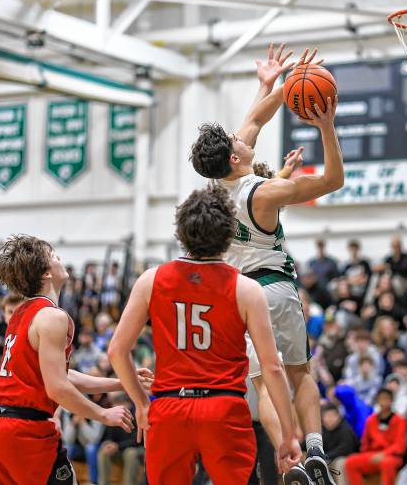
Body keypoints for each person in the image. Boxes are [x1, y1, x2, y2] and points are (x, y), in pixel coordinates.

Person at [189, 44, 340, 485]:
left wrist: (272, 82)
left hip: (239, 297)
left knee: (261, 383)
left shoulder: (218, 185)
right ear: (235, 158)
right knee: (299, 373)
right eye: (238, 142)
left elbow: (255, 120)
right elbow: (333, 180)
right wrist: (326, 127)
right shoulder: (265, 192)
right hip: (275, 288)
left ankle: (289, 458)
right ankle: (314, 451)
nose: (244, 136)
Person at [107, 184, 302, 484]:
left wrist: (142, 403)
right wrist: (288, 435)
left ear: (181, 231)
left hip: (170, 407)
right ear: (229, 235)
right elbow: (272, 367)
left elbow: (117, 351)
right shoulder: (246, 288)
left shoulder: (150, 280)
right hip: (224, 409)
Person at [0, 235, 146, 485]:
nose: (61, 260)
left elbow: (59, 375)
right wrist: (102, 413)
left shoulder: (21, 313)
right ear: (46, 273)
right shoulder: (52, 317)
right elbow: (57, 387)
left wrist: (119, 382)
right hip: (22, 431)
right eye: (55, 256)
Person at [345, 388, 407, 485]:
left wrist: (384, 454)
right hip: (373, 454)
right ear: (377, 401)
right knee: (350, 462)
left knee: (386, 463)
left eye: (386, 399)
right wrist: (366, 454)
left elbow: (399, 445)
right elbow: (365, 443)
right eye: (381, 399)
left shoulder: (400, 420)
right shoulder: (371, 420)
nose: (383, 402)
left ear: (391, 401)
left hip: (392, 456)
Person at [96, 392, 142, 485]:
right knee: (103, 451)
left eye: (120, 405)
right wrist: (107, 443)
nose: (117, 409)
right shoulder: (113, 417)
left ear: (128, 405)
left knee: (130, 453)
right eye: (115, 405)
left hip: (137, 449)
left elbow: (137, 440)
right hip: (120, 450)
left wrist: (117, 446)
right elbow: (105, 437)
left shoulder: (136, 416)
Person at [320, 402, 359, 480]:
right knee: (313, 463)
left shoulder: (345, 429)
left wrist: (324, 456)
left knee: (340, 462)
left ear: (338, 417)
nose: (330, 418)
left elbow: (345, 450)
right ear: (322, 418)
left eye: (332, 416)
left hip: (347, 458)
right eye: (327, 416)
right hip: (329, 458)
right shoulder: (323, 429)